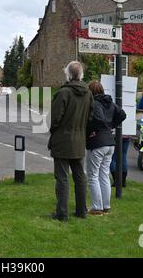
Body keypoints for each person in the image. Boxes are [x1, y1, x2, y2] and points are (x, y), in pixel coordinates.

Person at [48, 61, 94, 221]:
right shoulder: (88, 93)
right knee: (80, 176)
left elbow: (54, 119)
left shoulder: (64, 93)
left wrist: (53, 131)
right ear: (80, 75)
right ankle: (81, 211)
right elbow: (90, 118)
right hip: (79, 140)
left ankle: (62, 213)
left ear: (68, 74)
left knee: (62, 177)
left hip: (63, 140)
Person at [86, 81, 126, 216]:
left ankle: (97, 207)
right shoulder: (110, 103)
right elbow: (122, 114)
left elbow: (98, 119)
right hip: (110, 142)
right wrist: (111, 126)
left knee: (93, 175)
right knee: (104, 174)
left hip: (98, 142)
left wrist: (93, 130)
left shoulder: (95, 104)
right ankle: (106, 206)